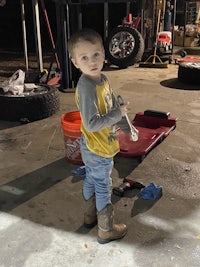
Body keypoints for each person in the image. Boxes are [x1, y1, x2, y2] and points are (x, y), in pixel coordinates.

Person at [68, 28, 129, 244]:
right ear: (75, 62)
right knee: (103, 183)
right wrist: (116, 114)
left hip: (102, 143)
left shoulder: (102, 78)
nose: (92, 61)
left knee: (93, 179)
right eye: (84, 57)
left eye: (96, 54)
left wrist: (118, 113)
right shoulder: (86, 88)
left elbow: (109, 104)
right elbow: (92, 124)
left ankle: (89, 216)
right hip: (97, 147)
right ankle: (106, 229)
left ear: (104, 53)